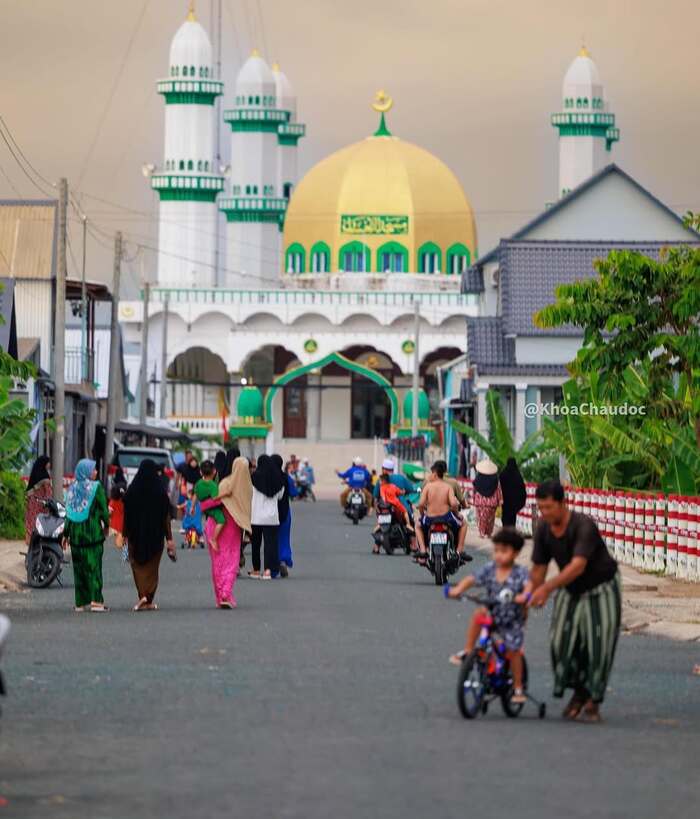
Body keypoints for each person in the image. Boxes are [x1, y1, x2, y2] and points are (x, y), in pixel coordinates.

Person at [528, 479, 620, 723]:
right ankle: (579, 691)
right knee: (560, 641)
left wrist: (547, 588)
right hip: (570, 588)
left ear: (562, 503)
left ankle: (592, 699)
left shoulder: (583, 525)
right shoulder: (544, 531)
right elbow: (538, 569)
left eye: (549, 507)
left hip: (602, 586)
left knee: (598, 645)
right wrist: (527, 597)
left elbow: (578, 566)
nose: (545, 513)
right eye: (541, 508)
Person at [446, 527, 530, 703]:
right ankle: (468, 651)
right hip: (493, 612)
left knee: (514, 651)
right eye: (496, 550)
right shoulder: (490, 569)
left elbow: (529, 587)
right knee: (479, 613)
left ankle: (517, 687)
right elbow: (472, 579)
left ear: (515, 553)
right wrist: (458, 589)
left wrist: (524, 596)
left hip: (512, 619)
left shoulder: (520, 573)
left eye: (504, 551)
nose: (499, 555)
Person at [199, 451, 252, 608]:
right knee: (231, 561)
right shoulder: (247, 489)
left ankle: (221, 596)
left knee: (218, 562)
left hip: (215, 526)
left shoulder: (225, 483)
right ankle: (225, 594)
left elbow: (210, 503)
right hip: (232, 529)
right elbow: (246, 512)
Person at [123, 459, 175, 611]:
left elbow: (127, 515)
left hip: (135, 536)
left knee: (137, 567)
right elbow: (166, 518)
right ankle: (148, 597)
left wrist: (124, 534)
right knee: (152, 569)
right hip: (155, 537)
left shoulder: (132, 491)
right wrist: (169, 538)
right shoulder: (160, 491)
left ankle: (142, 596)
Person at [62, 459, 110, 613]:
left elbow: (68, 514)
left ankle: (80, 603)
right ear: (87, 472)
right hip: (93, 536)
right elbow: (103, 509)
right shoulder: (96, 488)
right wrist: (107, 525)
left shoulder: (72, 489)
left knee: (79, 571)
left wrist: (65, 534)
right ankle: (96, 601)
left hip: (76, 538)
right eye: (93, 470)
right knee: (94, 569)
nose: (95, 472)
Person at [415, 461, 469, 561]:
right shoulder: (448, 487)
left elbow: (421, 504)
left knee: (417, 526)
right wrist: (457, 514)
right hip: (446, 517)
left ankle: (423, 550)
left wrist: (423, 515)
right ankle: (459, 551)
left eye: (431, 473)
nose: (430, 476)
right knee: (464, 524)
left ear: (435, 474)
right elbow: (453, 504)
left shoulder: (428, 486)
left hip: (430, 518)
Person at [249, 454, 286, 579]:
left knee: (256, 544)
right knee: (270, 545)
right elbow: (280, 496)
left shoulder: (254, 477)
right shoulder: (278, 479)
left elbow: (250, 494)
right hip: (271, 517)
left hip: (256, 516)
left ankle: (255, 570)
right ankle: (268, 571)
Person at [272, 454, 297, 577]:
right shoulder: (286, 478)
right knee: (284, 537)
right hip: (285, 511)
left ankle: (272, 565)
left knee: (271, 539)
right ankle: (283, 560)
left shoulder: (267, 477)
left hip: (270, 512)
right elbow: (293, 493)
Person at [195, 460, 225, 550]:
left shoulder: (198, 483)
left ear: (201, 472)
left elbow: (195, 495)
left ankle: (207, 529)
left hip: (203, 506)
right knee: (221, 520)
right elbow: (215, 498)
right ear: (214, 471)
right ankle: (214, 539)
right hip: (212, 508)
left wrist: (192, 506)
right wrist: (225, 493)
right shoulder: (213, 485)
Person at [24, 455, 52, 545]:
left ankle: (30, 540)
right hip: (41, 504)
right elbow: (48, 494)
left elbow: (30, 491)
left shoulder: (35, 474)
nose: (49, 465)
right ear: (44, 464)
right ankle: (41, 541)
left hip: (32, 503)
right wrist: (50, 504)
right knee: (41, 521)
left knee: (31, 521)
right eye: (48, 463)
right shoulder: (45, 477)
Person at [472, 458, 502, 537]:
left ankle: (482, 532)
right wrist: (500, 500)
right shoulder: (495, 480)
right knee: (490, 519)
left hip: (480, 502)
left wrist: (474, 499)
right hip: (491, 503)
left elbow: (474, 490)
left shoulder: (477, 479)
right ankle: (488, 533)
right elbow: (498, 490)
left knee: (481, 517)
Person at [499, 457, 527, 527]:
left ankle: (505, 530)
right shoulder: (518, 475)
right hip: (514, 502)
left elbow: (499, 487)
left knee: (505, 515)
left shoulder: (503, 474)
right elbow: (522, 489)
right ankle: (511, 530)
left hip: (505, 501)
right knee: (512, 516)